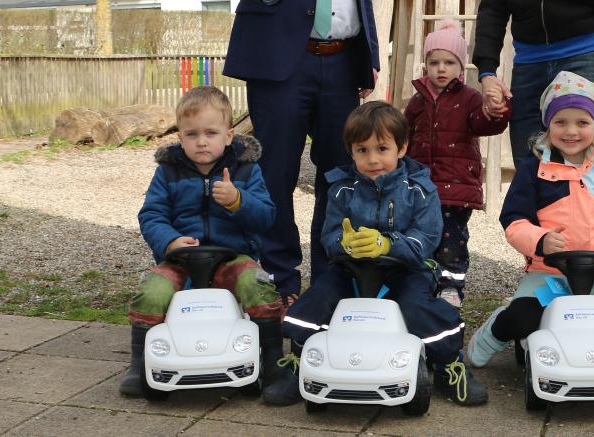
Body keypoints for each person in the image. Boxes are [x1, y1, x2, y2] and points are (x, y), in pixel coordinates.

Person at [264, 101, 489, 406]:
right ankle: (299, 360)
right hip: (352, 269)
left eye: (382, 149)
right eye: (362, 150)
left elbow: (428, 237)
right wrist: (344, 244)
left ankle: (449, 365)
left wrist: (388, 244)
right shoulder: (341, 189)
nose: (373, 159)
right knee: (318, 296)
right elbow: (328, 235)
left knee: (417, 307)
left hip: (406, 269)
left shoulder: (421, 189)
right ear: (351, 151)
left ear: (402, 147)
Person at [467, 71, 594, 374]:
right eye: (561, 122)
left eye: (582, 123)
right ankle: (496, 328)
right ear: (548, 124)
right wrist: (540, 241)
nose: (571, 131)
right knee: (522, 319)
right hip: (550, 276)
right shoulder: (534, 168)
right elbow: (514, 221)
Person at [120, 86, 284, 398]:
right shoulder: (168, 173)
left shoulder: (247, 170)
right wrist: (169, 242)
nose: (201, 141)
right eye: (191, 134)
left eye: (211, 132)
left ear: (229, 135)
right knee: (152, 291)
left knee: (257, 285)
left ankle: (273, 361)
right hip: (181, 257)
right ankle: (139, 363)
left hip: (232, 256)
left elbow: (266, 217)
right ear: (180, 137)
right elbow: (152, 214)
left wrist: (238, 201)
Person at [223, 0, 380, 311]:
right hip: (277, 53)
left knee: (341, 177)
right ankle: (279, 281)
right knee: (275, 173)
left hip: (345, 56)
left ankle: (330, 280)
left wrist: (370, 52)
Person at [404, 19, 510, 308]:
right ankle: (424, 283)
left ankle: (451, 286)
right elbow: (404, 135)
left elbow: (484, 125)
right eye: (434, 61)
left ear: (461, 67)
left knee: (452, 241)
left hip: (456, 188)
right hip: (421, 187)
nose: (441, 68)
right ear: (425, 64)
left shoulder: (470, 99)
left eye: (449, 62)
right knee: (422, 237)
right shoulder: (418, 100)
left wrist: (495, 112)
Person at [473, 0, 594, 167]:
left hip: (586, 49)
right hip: (529, 60)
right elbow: (492, 8)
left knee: (578, 161)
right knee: (527, 162)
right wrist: (487, 70)